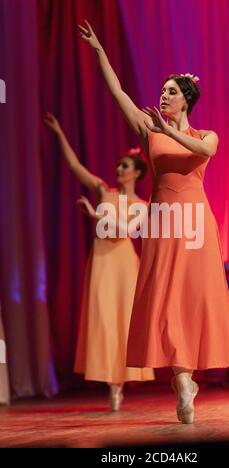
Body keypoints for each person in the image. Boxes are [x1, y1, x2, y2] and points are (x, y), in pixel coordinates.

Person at [78, 21, 229, 423]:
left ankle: (185, 379)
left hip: (196, 224)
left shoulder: (208, 135)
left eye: (171, 91)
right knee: (166, 302)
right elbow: (116, 92)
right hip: (162, 224)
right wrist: (100, 51)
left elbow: (201, 149)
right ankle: (184, 381)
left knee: (192, 300)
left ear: (185, 100)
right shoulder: (148, 129)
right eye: (163, 90)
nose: (163, 95)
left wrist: (167, 128)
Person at [44, 113, 154, 411]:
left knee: (124, 321)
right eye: (118, 165)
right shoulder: (105, 190)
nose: (118, 168)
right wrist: (59, 133)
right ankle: (111, 384)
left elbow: (129, 232)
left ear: (137, 173)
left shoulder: (143, 207)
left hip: (124, 264)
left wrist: (97, 216)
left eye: (125, 166)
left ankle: (119, 383)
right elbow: (75, 166)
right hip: (103, 263)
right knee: (104, 319)